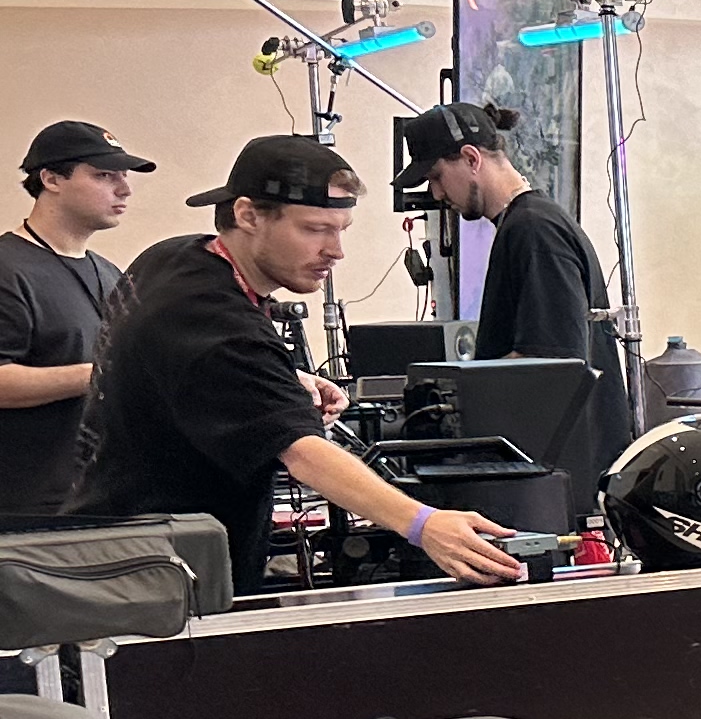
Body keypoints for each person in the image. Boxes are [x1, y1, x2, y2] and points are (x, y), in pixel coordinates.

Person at [74, 135, 524, 593]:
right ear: (248, 215)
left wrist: (284, 380)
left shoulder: (174, 258)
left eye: (341, 229)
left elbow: (188, 367)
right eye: (315, 229)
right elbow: (304, 453)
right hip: (159, 580)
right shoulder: (217, 319)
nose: (336, 250)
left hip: (115, 547)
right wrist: (424, 524)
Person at [0, 121, 154, 518]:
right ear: (51, 179)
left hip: (105, 499)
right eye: (104, 175)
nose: (124, 189)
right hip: (27, 511)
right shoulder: (7, 268)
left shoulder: (110, 273)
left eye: (124, 176)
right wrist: (102, 374)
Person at [406, 101, 605, 366]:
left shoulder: (534, 230)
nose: (437, 194)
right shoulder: (527, 222)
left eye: (437, 177)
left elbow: (551, 363)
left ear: (471, 158)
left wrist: (460, 382)